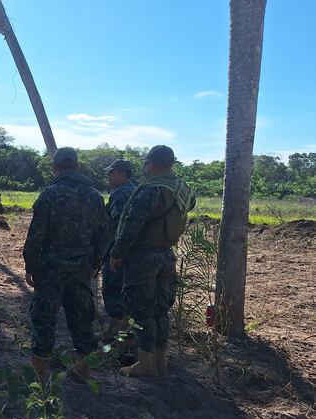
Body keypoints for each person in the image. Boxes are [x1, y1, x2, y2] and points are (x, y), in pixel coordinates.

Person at [22, 148, 108, 381]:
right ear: (77, 167)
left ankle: (38, 375)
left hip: (50, 271)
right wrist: (95, 263)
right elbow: (103, 235)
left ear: (55, 168)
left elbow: (36, 235)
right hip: (81, 270)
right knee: (82, 318)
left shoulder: (49, 195)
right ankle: (83, 371)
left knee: (44, 318)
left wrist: (30, 265)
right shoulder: (95, 197)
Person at [110, 145, 196, 378]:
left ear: (151, 164)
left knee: (143, 309)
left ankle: (146, 363)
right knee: (160, 310)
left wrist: (117, 253)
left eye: (146, 163)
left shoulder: (149, 191)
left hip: (143, 258)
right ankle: (160, 361)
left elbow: (131, 226)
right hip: (166, 255)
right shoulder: (182, 188)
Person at [100, 160, 136, 342]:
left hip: (118, 250)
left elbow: (117, 226)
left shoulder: (122, 194)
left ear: (121, 173)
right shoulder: (133, 191)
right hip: (130, 252)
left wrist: (113, 252)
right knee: (124, 292)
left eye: (111, 173)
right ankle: (121, 331)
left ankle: (115, 333)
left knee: (113, 290)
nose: (109, 176)